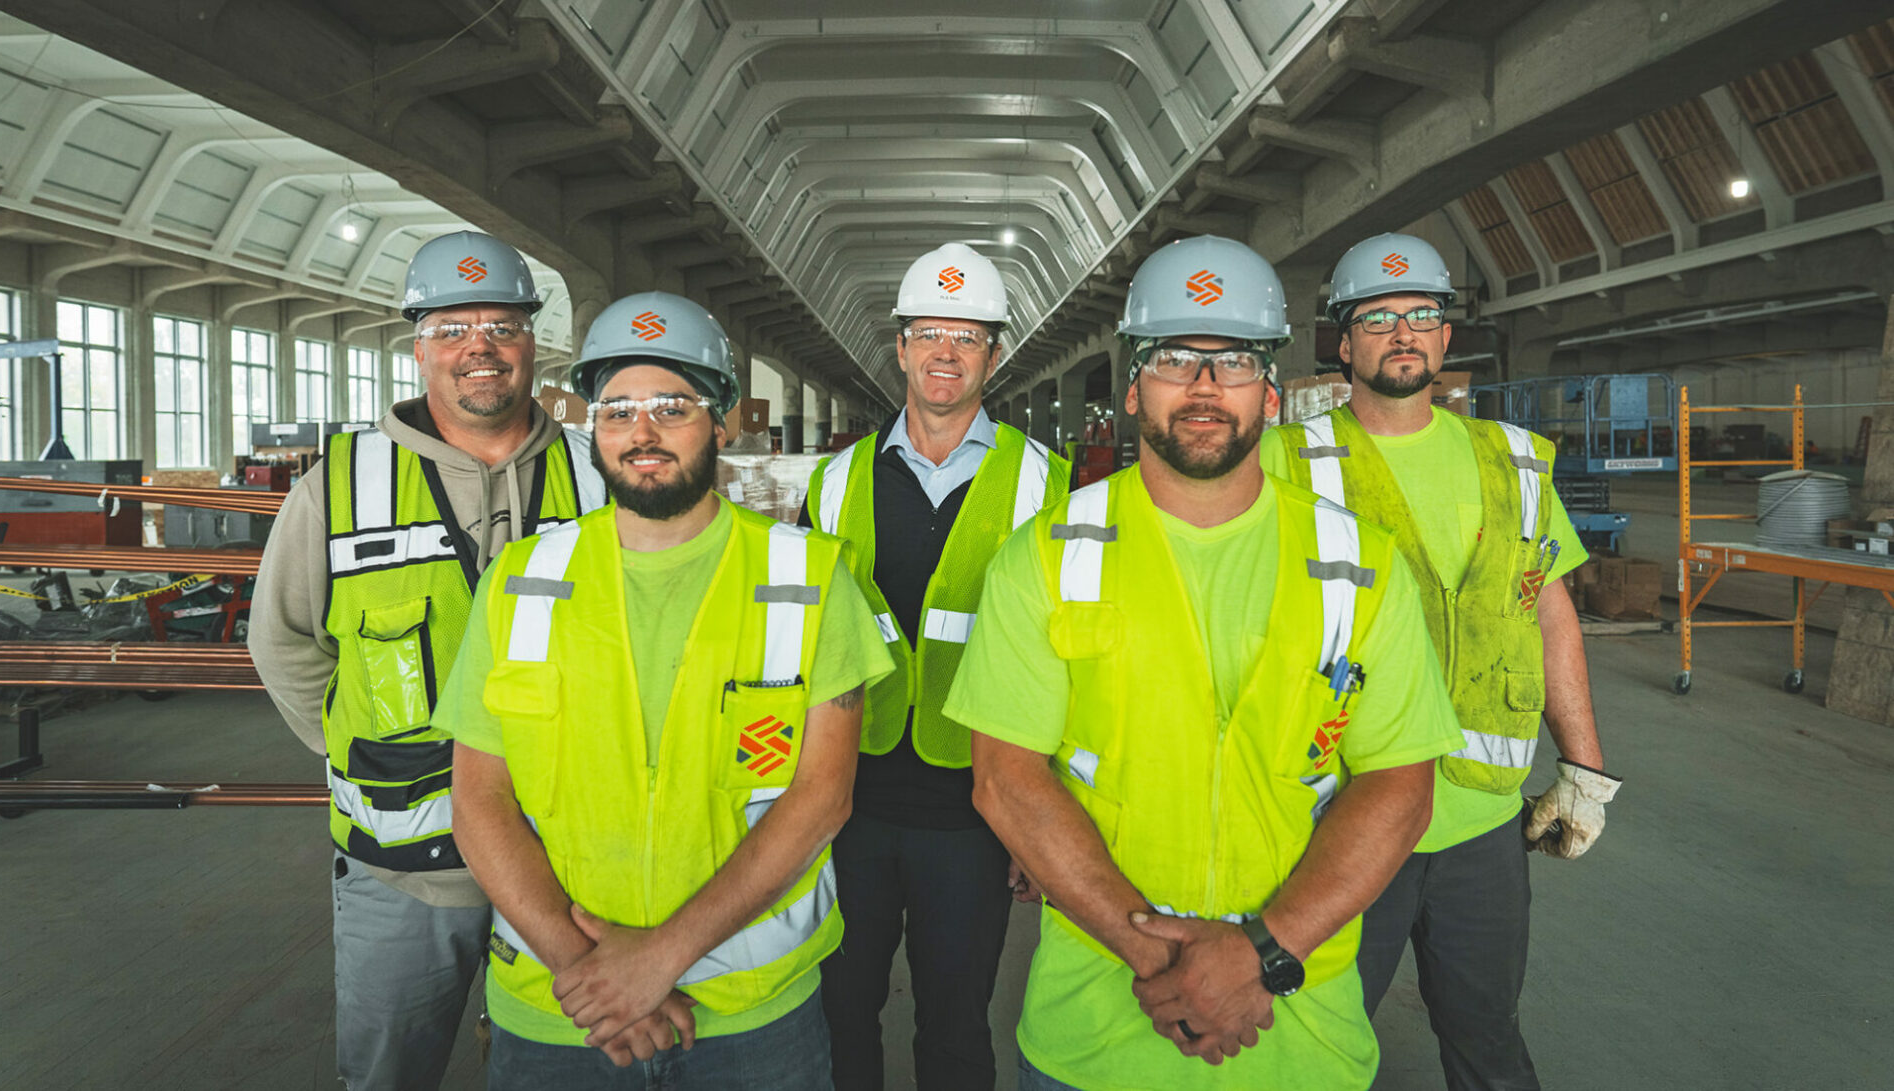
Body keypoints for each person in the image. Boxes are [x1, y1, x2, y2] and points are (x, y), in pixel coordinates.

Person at [945, 235, 1466, 1090]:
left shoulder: (1358, 564)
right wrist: (1160, 958)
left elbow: (1400, 786)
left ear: (1270, 391)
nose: (1202, 387)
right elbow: (1005, 778)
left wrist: (1262, 953)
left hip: (1299, 1038)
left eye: (1231, 363)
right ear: (1131, 385)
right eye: (1174, 359)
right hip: (1097, 1033)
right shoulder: (1045, 558)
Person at [434, 291, 894, 1087]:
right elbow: (479, 800)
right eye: (616, 410)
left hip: (752, 1013)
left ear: (722, 421)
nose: (640, 432)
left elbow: (822, 797)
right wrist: (597, 976)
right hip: (557, 1013)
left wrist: (657, 960)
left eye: (671, 406)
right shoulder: (522, 581)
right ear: (593, 429)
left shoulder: (810, 576)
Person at [1258, 232, 1621, 1091]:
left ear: (1447, 337)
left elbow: (1549, 611)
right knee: (1304, 1045)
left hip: (1482, 827)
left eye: (1422, 313)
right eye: (1376, 317)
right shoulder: (1290, 463)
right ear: (1342, 344)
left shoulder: (1516, 463)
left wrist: (1586, 769)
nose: (1403, 331)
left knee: (1488, 1042)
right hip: (1341, 818)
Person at [250, 230, 606, 1089]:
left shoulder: (599, 479)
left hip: (573, 862)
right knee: (388, 1074)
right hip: (403, 871)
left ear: (532, 345)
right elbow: (285, 640)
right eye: (452, 328)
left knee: (573, 1072)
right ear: (418, 347)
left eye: (501, 325)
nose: (478, 347)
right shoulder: (339, 486)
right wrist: (364, 745)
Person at [801, 241, 1070, 1091]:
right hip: (849, 802)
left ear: (993, 353)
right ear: (902, 346)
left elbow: (1071, 656)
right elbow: (805, 643)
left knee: (956, 1027)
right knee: (839, 1013)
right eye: (929, 333)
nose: (945, 351)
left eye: (967, 335)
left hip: (976, 808)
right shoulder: (836, 479)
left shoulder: (1046, 484)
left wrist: (1043, 813)